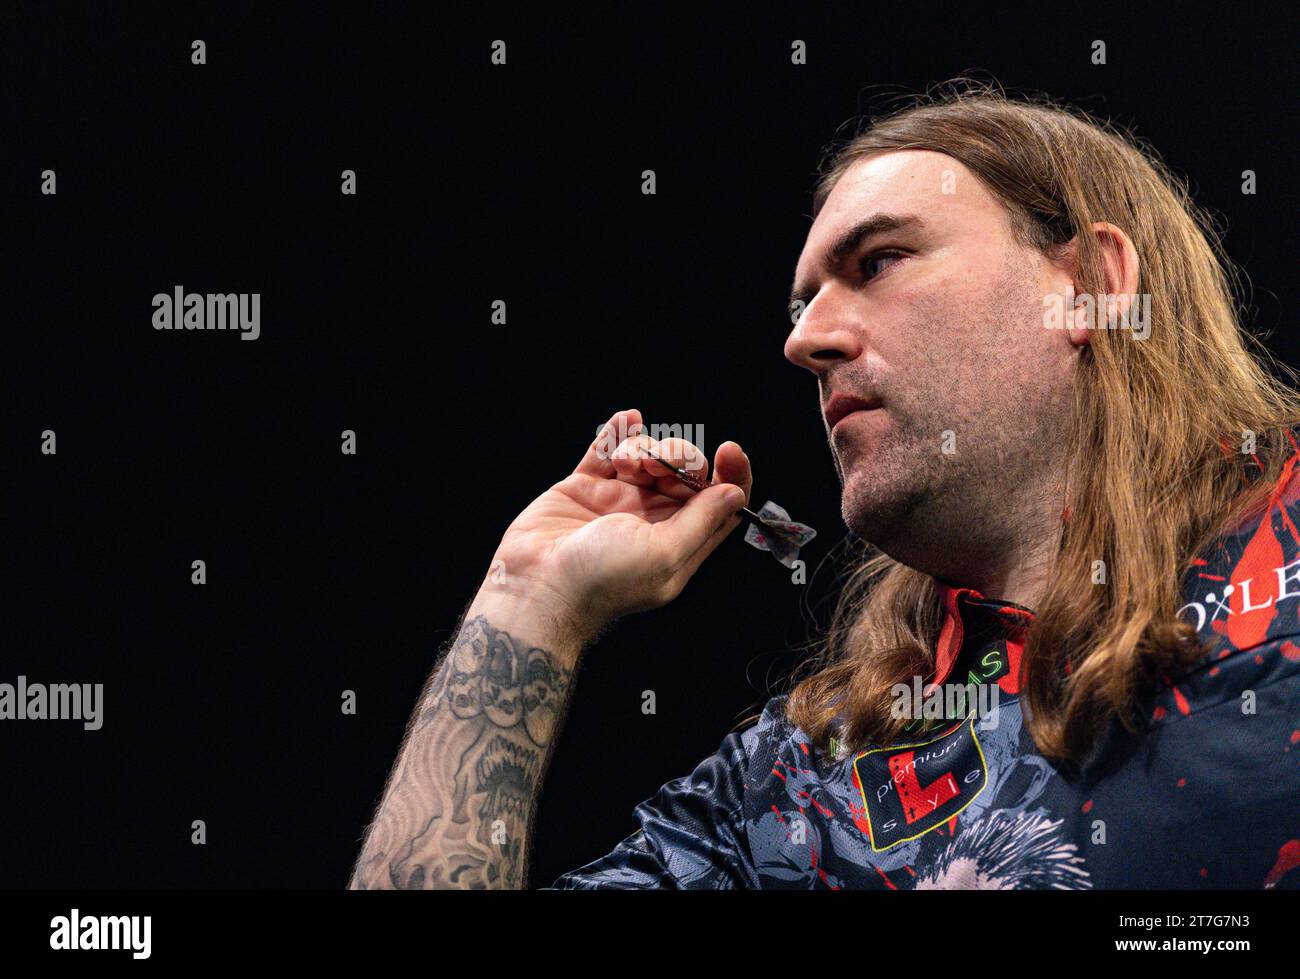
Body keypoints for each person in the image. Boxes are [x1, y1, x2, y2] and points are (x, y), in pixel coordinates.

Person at [350, 84, 1300, 890]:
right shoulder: (798, 786)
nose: (803, 340)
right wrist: (528, 599)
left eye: (877, 261)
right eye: (804, 302)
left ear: (1090, 282)